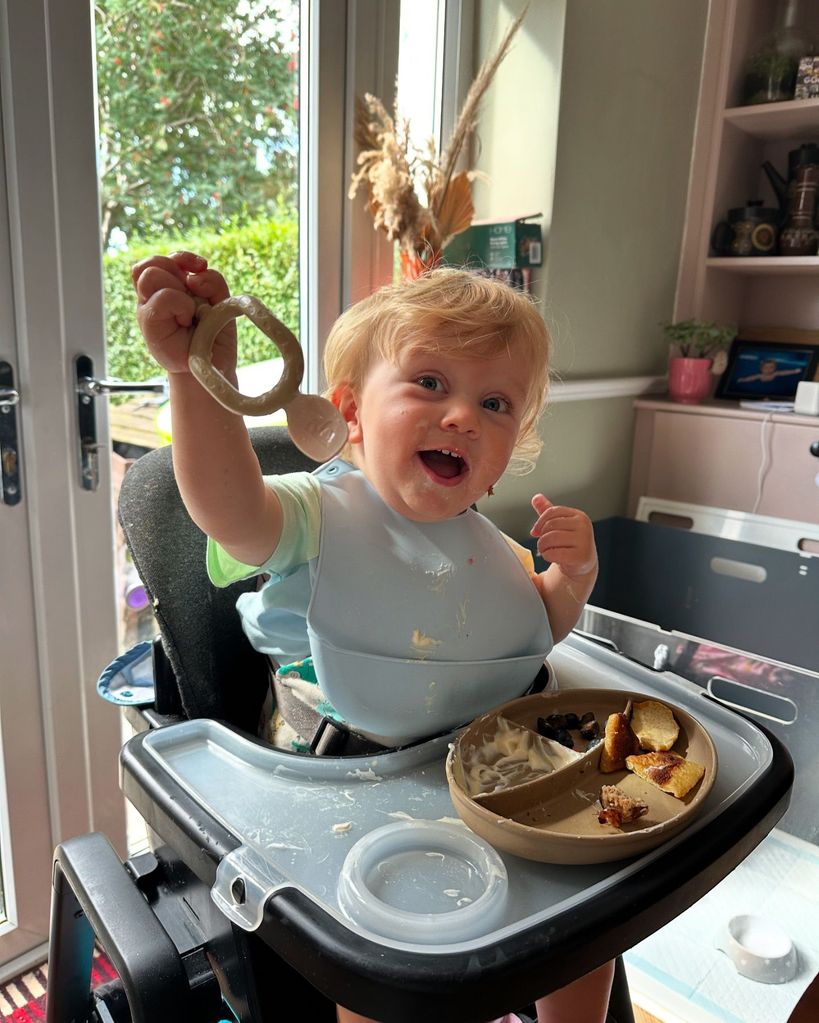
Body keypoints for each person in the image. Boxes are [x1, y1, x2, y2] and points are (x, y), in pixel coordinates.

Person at [132, 250, 614, 1023]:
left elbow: (528, 634)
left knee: (592, 918)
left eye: (495, 403)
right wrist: (198, 382)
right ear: (349, 413)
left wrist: (574, 576)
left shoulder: (484, 543)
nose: (462, 415)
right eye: (429, 383)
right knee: (382, 962)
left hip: (490, 770)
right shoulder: (322, 516)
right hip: (351, 790)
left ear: (501, 458)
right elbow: (227, 508)